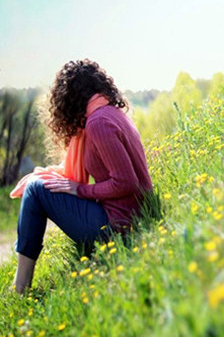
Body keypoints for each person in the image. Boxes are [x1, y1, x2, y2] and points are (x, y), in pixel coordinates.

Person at [11, 59, 153, 293]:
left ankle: (20, 287)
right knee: (39, 185)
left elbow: (126, 182)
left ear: (69, 99)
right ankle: (20, 283)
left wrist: (79, 189)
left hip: (118, 229)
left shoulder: (98, 123)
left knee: (36, 189)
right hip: (131, 217)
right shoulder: (111, 113)